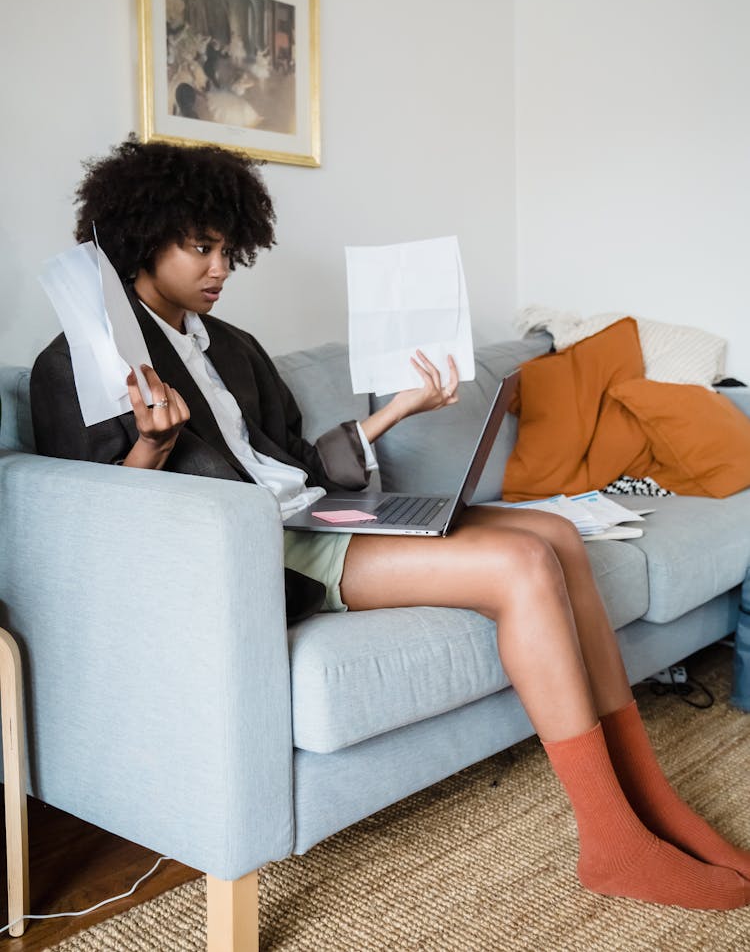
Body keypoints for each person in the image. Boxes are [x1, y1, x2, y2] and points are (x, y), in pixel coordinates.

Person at [31, 137, 750, 912]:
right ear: (141, 236)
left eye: (229, 250)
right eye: (201, 249)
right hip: (264, 550)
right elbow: (101, 528)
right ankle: (611, 838)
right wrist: (152, 442)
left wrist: (398, 410)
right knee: (521, 566)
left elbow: (300, 459)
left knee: (559, 537)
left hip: (315, 511)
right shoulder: (81, 362)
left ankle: (649, 796)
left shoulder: (233, 346)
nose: (220, 270)